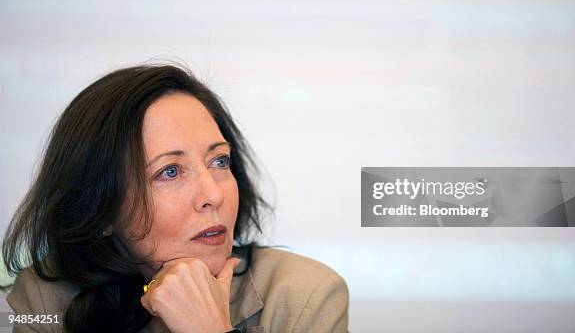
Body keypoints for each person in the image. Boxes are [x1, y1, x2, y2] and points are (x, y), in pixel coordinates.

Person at [1, 64, 349, 333]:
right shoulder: (45, 298)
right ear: (101, 208)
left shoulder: (304, 296)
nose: (213, 195)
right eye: (170, 172)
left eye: (219, 162)